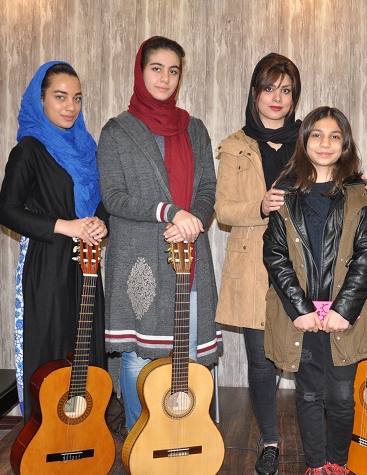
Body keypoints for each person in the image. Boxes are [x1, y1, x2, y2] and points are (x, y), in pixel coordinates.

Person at [97, 36, 222, 432]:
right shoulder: (117, 131)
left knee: (188, 355)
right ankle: (141, 437)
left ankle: (183, 436)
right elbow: (113, 196)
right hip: (139, 259)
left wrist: (194, 219)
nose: (165, 78)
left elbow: (208, 188)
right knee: (140, 356)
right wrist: (170, 212)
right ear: (140, 71)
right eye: (156, 69)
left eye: (173, 71)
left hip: (189, 255)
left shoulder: (195, 129)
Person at [263, 107, 367, 475]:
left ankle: (338, 467)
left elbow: (366, 255)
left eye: (334, 136)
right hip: (304, 319)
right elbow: (275, 256)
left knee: (342, 396)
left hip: (346, 318)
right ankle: (315, 468)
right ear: (304, 141)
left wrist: (344, 308)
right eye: (316, 135)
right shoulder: (285, 195)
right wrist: (300, 309)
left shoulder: (359, 196)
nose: (325, 143)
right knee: (309, 394)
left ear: (344, 144)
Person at [0, 61, 109, 421]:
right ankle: (45, 436)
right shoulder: (29, 149)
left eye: (77, 98)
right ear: (40, 99)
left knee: (86, 351)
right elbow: (7, 211)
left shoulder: (87, 148)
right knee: (49, 353)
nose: (70, 107)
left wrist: (100, 224)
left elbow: (102, 200)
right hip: (45, 264)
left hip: (86, 265)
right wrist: (67, 226)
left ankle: (86, 433)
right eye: (60, 97)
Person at [214, 53, 302, 475]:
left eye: (286, 90)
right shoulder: (236, 145)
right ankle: (269, 442)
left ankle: (318, 445)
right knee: (262, 361)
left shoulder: (310, 139)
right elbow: (223, 210)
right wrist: (260, 205)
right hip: (253, 265)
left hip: (304, 265)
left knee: (309, 357)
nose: (277, 98)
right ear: (255, 93)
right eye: (269, 88)